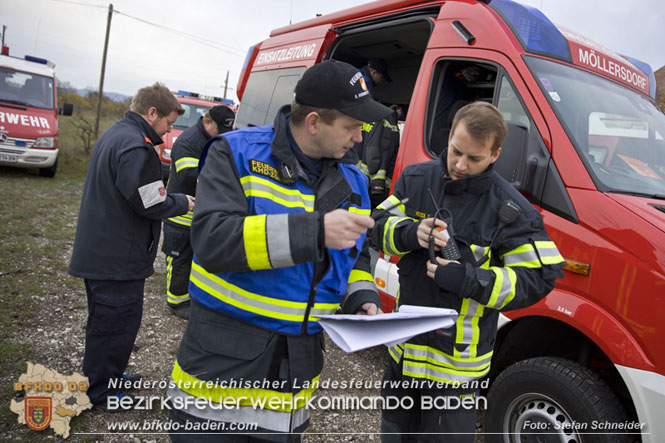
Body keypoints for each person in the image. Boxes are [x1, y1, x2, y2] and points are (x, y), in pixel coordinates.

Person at [167, 60, 391, 441]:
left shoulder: (352, 180)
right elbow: (211, 240)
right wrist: (315, 230)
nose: (359, 138)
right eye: (352, 127)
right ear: (315, 122)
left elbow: (354, 256)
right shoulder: (235, 154)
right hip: (222, 362)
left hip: (295, 368)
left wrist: (362, 297)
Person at [371, 101, 566, 442]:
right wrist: (407, 233)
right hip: (404, 355)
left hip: (455, 373)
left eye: (474, 158)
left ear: (495, 155)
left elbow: (539, 278)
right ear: (449, 138)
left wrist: (470, 280)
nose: (460, 165)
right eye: (455, 151)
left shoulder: (513, 211)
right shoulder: (416, 179)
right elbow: (375, 227)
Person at [68, 82, 195, 410]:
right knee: (115, 326)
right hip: (116, 259)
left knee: (106, 324)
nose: (169, 130)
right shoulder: (135, 147)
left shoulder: (117, 134)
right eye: (168, 122)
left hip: (103, 252)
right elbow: (149, 201)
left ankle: (108, 376)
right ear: (151, 113)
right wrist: (183, 201)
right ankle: (102, 393)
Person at [162, 105, 236, 319]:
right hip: (181, 215)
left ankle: (189, 295)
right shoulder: (189, 141)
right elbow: (189, 176)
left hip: (199, 213)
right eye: (220, 129)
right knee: (179, 259)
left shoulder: (210, 139)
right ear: (207, 122)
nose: (223, 135)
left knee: (194, 258)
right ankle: (176, 301)